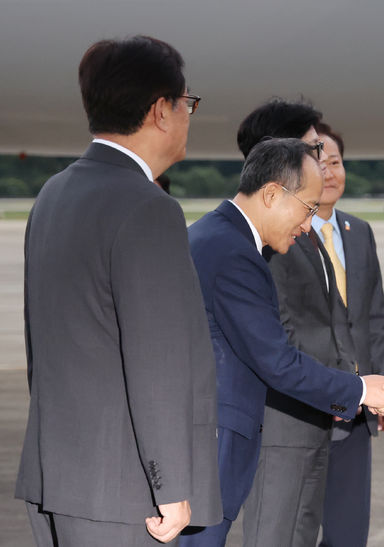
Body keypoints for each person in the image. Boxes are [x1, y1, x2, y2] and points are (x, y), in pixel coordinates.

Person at [15, 35, 222, 546]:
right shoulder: (148, 207)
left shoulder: (55, 193)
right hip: (123, 493)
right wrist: (171, 483)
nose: (188, 115)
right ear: (161, 111)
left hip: (59, 475)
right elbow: (158, 359)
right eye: (187, 102)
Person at [179, 138, 384, 547]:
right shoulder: (234, 253)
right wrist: (359, 388)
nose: (307, 226)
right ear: (271, 194)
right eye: (306, 209)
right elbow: (275, 361)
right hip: (212, 450)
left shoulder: (216, 236)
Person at [317, 124, 384, 547]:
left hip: (359, 408)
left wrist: (382, 382)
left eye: (336, 162)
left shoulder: (358, 231)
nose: (330, 173)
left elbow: (374, 317)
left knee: (348, 532)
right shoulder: (286, 237)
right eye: (319, 163)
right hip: (307, 409)